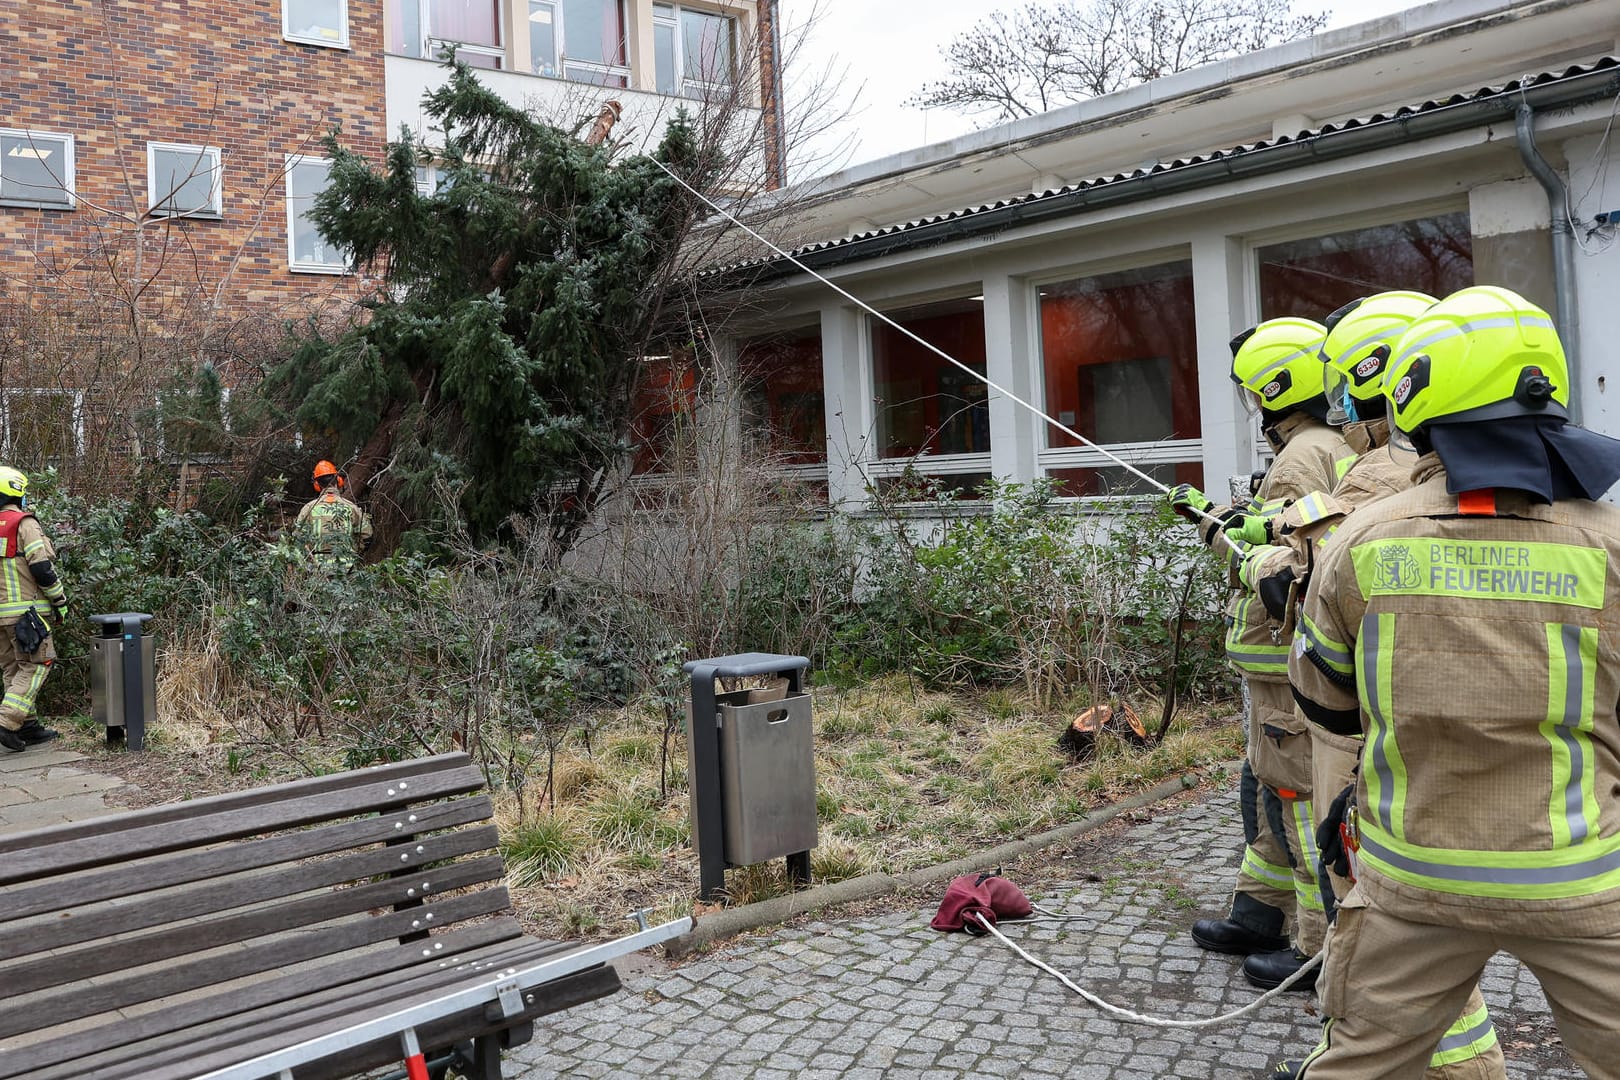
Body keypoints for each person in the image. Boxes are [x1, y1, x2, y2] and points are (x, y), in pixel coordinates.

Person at [1291, 285, 1620, 1078]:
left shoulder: (1361, 538)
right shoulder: (1609, 544)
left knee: (1364, 1063)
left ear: (1420, 396)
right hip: (1583, 878)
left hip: (1412, 877)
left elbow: (1322, 697)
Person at [1233, 291, 1505, 1079]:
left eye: (1350, 383)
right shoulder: (1527, 497)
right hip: (1464, 755)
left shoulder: (1387, 484)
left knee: (1381, 915)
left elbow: (1312, 594)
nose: (1344, 403)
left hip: (1372, 740)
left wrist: (1253, 554)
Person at [1169, 317, 1354, 990]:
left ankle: (1317, 946)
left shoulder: (1303, 455)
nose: (1251, 404)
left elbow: (1280, 563)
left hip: (1284, 659)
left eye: (1255, 391)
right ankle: (1258, 913)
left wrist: (1211, 528)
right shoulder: (1319, 446)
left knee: (1293, 795)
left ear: (1278, 388)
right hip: (1276, 665)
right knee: (1264, 786)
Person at [0, 466, 65, 753]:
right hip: (27, 615)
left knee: (13, 668)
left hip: (1, 617)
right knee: (38, 664)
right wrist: (60, 600)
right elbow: (41, 568)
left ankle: (27, 726)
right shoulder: (23, 523)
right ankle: (6, 723)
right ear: (17, 491)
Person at [295, 460, 373, 568]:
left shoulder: (308, 509)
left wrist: (309, 563)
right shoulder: (350, 507)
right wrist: (354, 552)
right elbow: (367, 537)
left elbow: (298, 539)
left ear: (317, 485)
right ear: (339, 481)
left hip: (318, 570)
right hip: (347, 567)